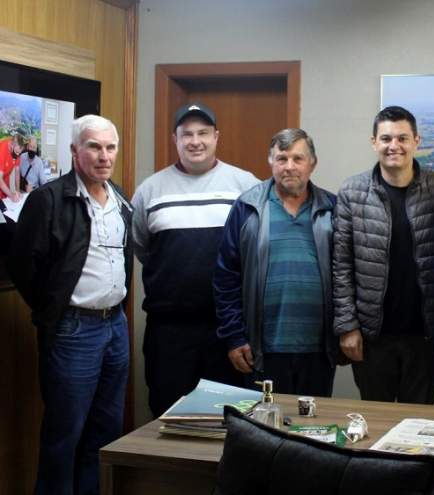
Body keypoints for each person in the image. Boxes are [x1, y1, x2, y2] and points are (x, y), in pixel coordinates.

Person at [7, 115, 132, 495]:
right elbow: (24, 268)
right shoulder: (49, 199)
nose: (104, 156)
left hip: (115, 328)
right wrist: (54, 313)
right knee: (65, 436)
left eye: (110, 147)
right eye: (94, 146)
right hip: (74, 330)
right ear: (75, 151)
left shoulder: (120, 197)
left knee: (106, 432)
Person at [132, 103, 259, 417]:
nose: (195, 140)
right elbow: (142, 249)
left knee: (232, 420)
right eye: (186, 133)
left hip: (229, 331)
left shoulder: (246, 187)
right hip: (169, 332)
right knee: (167, 416)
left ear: (217, 137)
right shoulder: (150, 191)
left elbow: (259, 250)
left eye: (203, 133)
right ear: (175, 139)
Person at [333, 105, 434, 404]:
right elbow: (341, 266)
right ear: (374, 142)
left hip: (427, 334)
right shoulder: (352, 192)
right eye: (386, 138)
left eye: (402, 138)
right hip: (373, 335)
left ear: (417, 140)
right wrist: (347, 327)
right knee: (376, 424)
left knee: (418, 425)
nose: (394, 146)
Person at [214, 128, 337, 396]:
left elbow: (346, 276)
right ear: (270, 162)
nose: (289, 167)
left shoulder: (333, 209)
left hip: (318, 349)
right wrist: (234, 337)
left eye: (298, 159)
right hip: (262, 349)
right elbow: (226, 278)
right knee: (265, 430)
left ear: (312, 163)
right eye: (281, 159)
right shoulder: (247, 207)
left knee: (311, 429)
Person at [0, 131, 25, 201]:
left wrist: (17, 191)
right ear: (11, 145)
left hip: (4, 185)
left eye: (19, 153)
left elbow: (17, 173)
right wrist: (11, 195)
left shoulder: (17, 151)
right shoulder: (2, 150)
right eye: (17, 152)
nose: (18, 155)